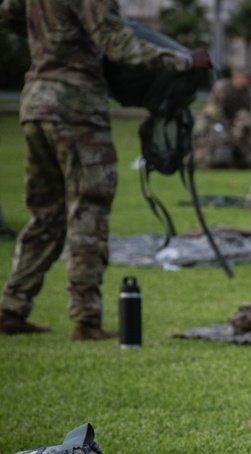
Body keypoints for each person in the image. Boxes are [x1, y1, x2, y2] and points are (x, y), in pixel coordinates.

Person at [0, 0, 211, 340]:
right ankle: (87, 318)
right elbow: (118, 44)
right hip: (76, 108)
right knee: (89, 208)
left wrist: (53, 40)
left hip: (36, 103)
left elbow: (10, 14)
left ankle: (11, 308)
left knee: (46, 215)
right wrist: (185, 60)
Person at [192, 68, 251, 169]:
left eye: (248, 78)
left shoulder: (248, 92)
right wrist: (225, 125)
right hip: (215, 120)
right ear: (236, 77)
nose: (247, 81)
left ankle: (243, 160)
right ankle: (200, 160)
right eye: (245, 78)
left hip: (234, 122)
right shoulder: (223, 87)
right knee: (206, 134)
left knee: (242, 129)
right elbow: (214, 109)